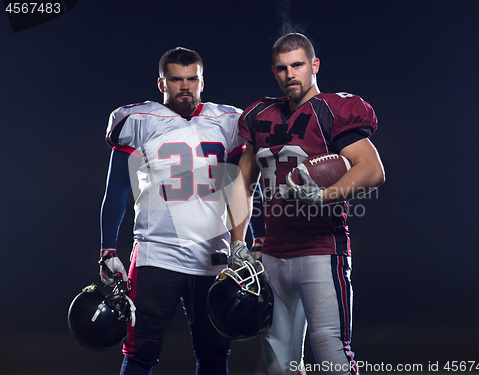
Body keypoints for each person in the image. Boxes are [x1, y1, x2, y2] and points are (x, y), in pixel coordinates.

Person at [228, 33, 385, 375]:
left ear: (314, 65)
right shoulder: (259, 114)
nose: (290, 75)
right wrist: (237, 241)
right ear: (274, 72)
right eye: (282, 69)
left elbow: (372, 170)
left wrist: (323, 196)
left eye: (297, 65)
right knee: (279, 365)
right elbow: (243, 183)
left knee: (333, 357)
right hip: (272, 255)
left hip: (320, 251)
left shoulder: (333, 110)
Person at [99, 47, 261, 375]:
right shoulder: (139, 121)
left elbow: (238, 188)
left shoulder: (227, 121)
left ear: (202, 81)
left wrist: (249, 242)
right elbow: (116, 188)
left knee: (215, 352)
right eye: (176, 80)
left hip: (213, 254)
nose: (185, 86)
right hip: (156, 256)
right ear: (162, 83)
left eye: (192, 79)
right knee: (140, 351)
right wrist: (107, 248)